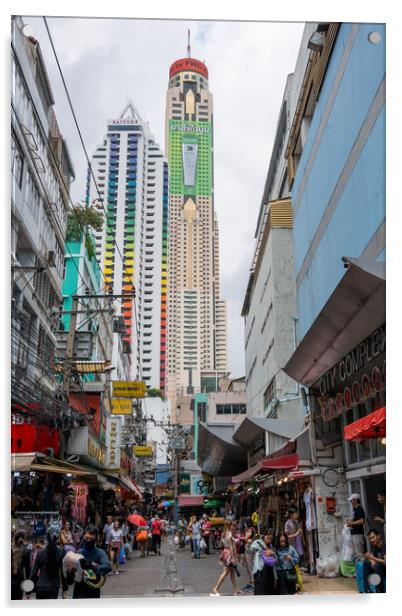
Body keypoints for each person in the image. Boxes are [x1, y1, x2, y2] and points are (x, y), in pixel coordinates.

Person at [69, 524, 111, 599]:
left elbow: (108, 567)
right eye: (86, 538)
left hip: (93, 591)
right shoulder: (77, 553)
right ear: (83, 536)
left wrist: (95, 566)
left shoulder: (100, 552)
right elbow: (70, 577)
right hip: (79, 592)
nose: (88, 541)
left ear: (95, 538)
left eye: (91, 539)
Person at [30, 531, 68, 599]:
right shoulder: (61, 553)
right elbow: (63, 572)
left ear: (47, 539)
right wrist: (64, 589)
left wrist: (28, 591)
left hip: (41, 586)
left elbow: (34, 572)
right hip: (53, 587)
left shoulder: (41, 553)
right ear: (57, 539)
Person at [211, 521, 243, 596]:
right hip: (229, 554)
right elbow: (231, 546)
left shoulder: (224, 533)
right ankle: (216, 588)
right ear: (229, 526)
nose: (234, 527)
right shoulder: (229, 533)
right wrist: (233, 557)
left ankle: (236, 589)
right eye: (233, 525)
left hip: (226, 552)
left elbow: (223, 545)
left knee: (231, 572)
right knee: (226, 572)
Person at [250, 530, 277, 595]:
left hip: (270, 573)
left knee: (268, 592)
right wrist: (262, 550)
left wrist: (272, 553)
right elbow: (251, 548)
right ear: (264, 536)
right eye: (267, 538)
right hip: (260, 572)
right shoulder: (258, 542)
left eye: (270, 539)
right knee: (260, 592)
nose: (269, 540)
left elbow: (275, 561)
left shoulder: (271, 547)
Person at [363, 529, 386, 593]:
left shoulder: (384, 544)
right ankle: (367, 589)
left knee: (377, 566)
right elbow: (373, 558)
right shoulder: (374, 545)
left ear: (378, 536)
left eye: (373, 537)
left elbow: (386, 562)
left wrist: (372, 558)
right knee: (366, 563)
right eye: (370, 539)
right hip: (380, 567)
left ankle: (379, 590)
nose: (371, 540)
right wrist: (369, 558)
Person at [11, 530, 31, 600]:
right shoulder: (26, 551)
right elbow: (28, 571)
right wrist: (28, 591)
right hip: (19, 582)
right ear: (24, 539)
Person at [346, 494, 366, 561]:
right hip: (354, 534)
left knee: (360, 554)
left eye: (351, 500)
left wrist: (351, 523)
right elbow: (355, 520)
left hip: (358, 534)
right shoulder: (355, 509)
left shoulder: (359, 509)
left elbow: (362, 521)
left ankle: (363, 570)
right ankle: (360, 569)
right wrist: (350, 522)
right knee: (357, 554)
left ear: (355, 500)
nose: (351, 502)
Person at [240, 523, 255, 591]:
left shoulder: (251, 530)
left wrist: (239, 537)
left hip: (249, 551)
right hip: (246, 551)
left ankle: (253, 583)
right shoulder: (247, 531)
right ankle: (250, 582)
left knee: (250, 566)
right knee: (247, 567)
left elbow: (246, 537)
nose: (245, 528)